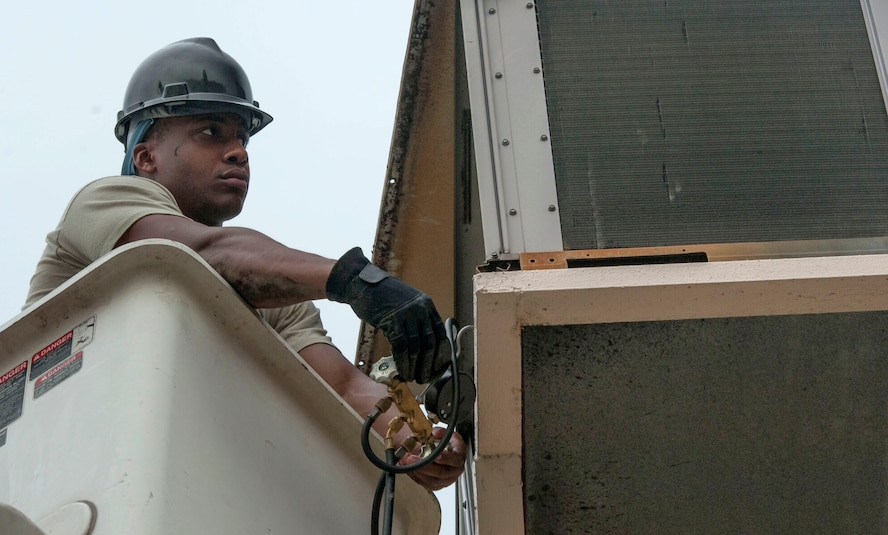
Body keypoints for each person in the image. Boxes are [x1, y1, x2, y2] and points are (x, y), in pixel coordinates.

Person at [24, 37, 465, 492]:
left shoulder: (269, 295)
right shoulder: (105, 202)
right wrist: (357, 280)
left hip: (158, 485)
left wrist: (419, 441)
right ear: (145, 157)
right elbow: (203, 256)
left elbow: (345, 388)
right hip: (45, 472)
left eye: (242, 137)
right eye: (211, 132)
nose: (239, 152)